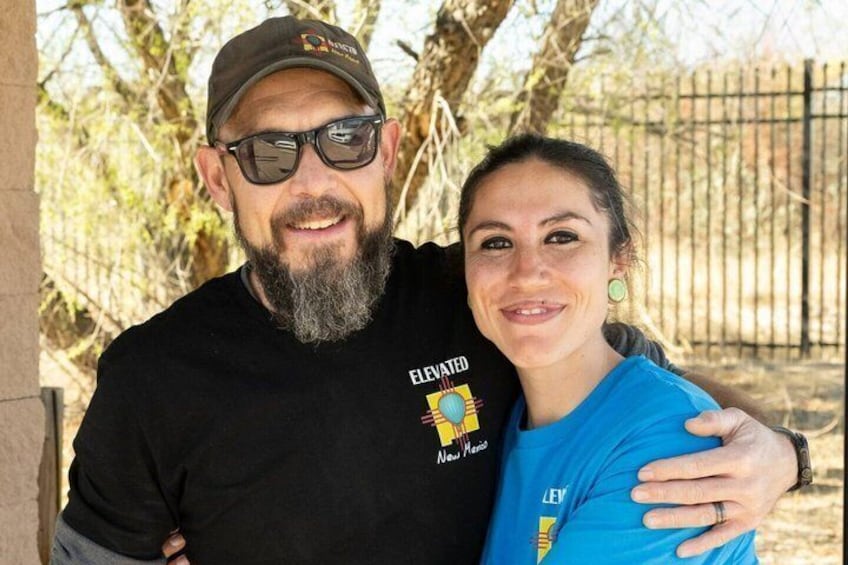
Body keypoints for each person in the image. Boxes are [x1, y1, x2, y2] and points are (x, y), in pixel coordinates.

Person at [51, 16, 807, 565]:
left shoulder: (483, 296)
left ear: (386, 150)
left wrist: (778, 451)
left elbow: (635, 382)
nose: (313, 183)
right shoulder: (152, 378)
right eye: (269, 152)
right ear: (218, 177)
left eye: (344, 139)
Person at [458, 135, 757, 563]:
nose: (526, 273)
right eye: (495, 242)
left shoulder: (672, 438)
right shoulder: (504, 417)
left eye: (562, 237)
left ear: (618, 261)